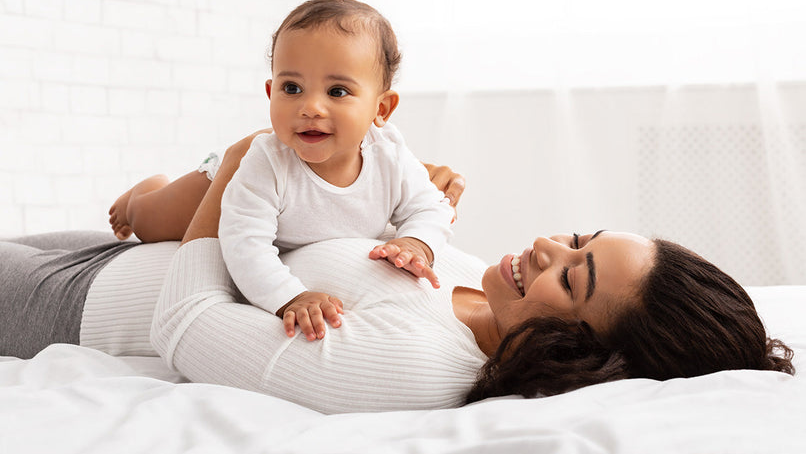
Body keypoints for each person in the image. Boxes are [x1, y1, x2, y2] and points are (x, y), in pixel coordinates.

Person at [0, 133, 795, 414]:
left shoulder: (420, 366)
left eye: (572, 276)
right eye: (578, 237)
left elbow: (186, 326)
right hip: (118, 257)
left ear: (583, 355)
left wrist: (237, 174)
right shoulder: (479, 285)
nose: (546, 247)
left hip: (71, 307)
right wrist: (396, 206)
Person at [108, 0, 455, 341]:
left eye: (337, 91)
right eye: (292, 88)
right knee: (150, 221)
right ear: (270, 91)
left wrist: (417, 242)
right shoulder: (267, 162)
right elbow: (244, 245)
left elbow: (431, 207)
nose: (311, 107)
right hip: (218, 184)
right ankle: (140, 195)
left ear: (382, 109)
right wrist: (289, 296)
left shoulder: (390, 157)